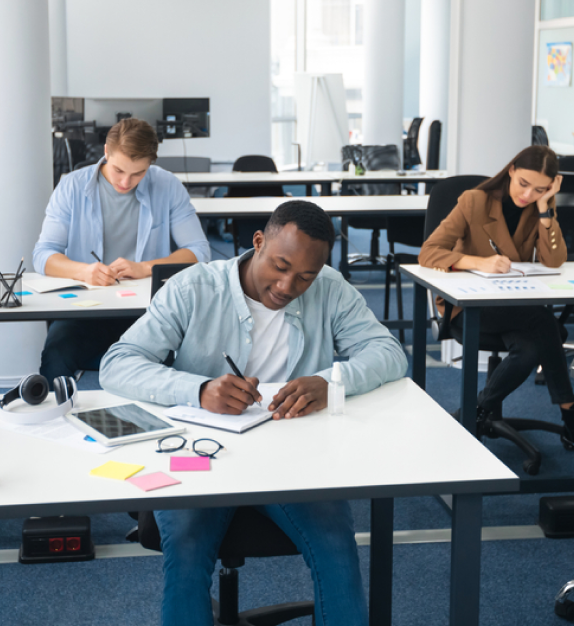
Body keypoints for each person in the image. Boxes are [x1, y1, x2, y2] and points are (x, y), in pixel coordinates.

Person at [100, 200, 406, 626]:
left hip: (295, 456)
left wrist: (331, 381)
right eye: (280, 266)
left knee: (336, 544)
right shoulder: (194, 288)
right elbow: (117, 363)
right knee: (186, 549)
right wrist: (199, 389)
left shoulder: (330, 288)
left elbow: (388, 353)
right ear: (258, 241)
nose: (287, 285)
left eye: (305, 276)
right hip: (201, 456)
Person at [418, 144, 574, 447]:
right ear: (510, 171)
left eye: (539, 189)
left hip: (514, 305)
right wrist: (477, 262)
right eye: (523, 184)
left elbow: (555, 259)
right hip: (468, 307)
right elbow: (429, 252)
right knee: (546, 324)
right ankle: (571, 413)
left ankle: (477, 410)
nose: (527, 195)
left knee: (533, 348)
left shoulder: (539, 205)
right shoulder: (474, 201)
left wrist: (546, 208)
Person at [33, 118, 210, 383]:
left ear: (150, 164)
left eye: (138, 173)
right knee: (55, 358)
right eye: (118, 170)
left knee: (168, 365)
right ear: (106, 152)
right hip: (84, 309)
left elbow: (199, 251)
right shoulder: (71, 187)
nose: (126, 182)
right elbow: (44, 254)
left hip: (147, 310)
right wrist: (84, 272)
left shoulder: (168, 186)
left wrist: (144, 268)